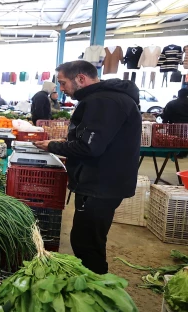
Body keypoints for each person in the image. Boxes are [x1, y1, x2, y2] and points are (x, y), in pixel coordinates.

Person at [34, 60, 141, 274]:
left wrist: (54, 146)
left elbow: (90, 147)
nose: (61, 88)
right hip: (103, 180)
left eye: (63, 83)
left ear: (81, 79)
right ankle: (94, 281)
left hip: (101, 183)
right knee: (86, 238)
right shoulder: (104, 98)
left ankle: (97, 287)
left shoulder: (104, 101)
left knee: (87, 243)